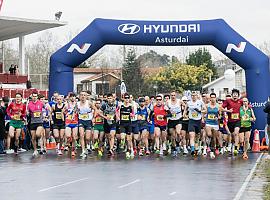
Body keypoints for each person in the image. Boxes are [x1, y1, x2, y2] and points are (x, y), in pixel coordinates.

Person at [183, 91, 206, 156]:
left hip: (198, 121)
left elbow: (205, 110)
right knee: (191, 135)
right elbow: (185, 110)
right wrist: (184, 114)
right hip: (191, 121)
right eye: (192, 95)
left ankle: (196, 147)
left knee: (197, 136)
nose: (193, 97)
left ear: (197, 96)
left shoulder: (200, 102)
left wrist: (200, 111)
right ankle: (192, 150)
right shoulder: (188, 103)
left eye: (195, 95)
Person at [222, 89, 243, 155]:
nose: (235, 96)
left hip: (238, 121)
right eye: (234, 94)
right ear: (232, 95)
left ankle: (236, 149)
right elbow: (221, 108)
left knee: (236, 133)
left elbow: (248, 106)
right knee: (231, 135)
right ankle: (231, 146)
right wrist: (228, 111)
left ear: (238, 95)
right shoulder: (228, 101)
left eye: (236, 94)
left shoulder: (241, 101)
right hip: (230, 121)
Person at [77, 91, 94, 158]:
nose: (83, 96)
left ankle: (87, 146)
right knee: (81, 135)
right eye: (81, 95)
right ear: (79, 96)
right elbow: (75, 111)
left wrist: (93, 118)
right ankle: (83, 150)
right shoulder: (77, 103)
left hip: (88, 121)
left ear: (86, 96)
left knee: (87, 137)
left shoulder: (89, 103)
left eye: (84, 95)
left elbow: (95, 109)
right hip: (81, 120)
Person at [27, 92, 45, 156]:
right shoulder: (29, 104)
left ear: (37, 97)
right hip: (32, 122)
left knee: (38, 134)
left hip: (39, 122)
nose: (34, 97)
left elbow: (46, 110)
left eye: (35, 96)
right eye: (33, 96)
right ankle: (35, 150)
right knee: (33, 137)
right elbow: (28, 113)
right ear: (31, 97)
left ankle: (41, 145)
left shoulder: (41, 103)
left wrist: (45, 117)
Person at [167, 91, 183, 156]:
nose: (173, 96)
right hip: (171, 120)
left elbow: (186, 106)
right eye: (172, 95)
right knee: (173, 136)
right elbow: (165, 109)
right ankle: (174, 149)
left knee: (178, 132)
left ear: (176, 96)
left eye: (174, 95)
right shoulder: (168, 102)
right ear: (170, 96)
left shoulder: (179, 101)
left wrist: (183, 113)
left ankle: (178, 144)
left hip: (178, 119)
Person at [64, 93, 79, 157]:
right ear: (69, 98)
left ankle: (73, 150)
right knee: (68, 136)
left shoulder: (77, 104)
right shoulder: (67, 105)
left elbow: (79, 112)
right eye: (71, 97)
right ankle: (67, 143)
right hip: (68, 122)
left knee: (74, 137)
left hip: (75, 122)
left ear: (75, 98)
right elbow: (63, 112)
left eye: (74, 97)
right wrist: (66, 115)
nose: (72, 98)